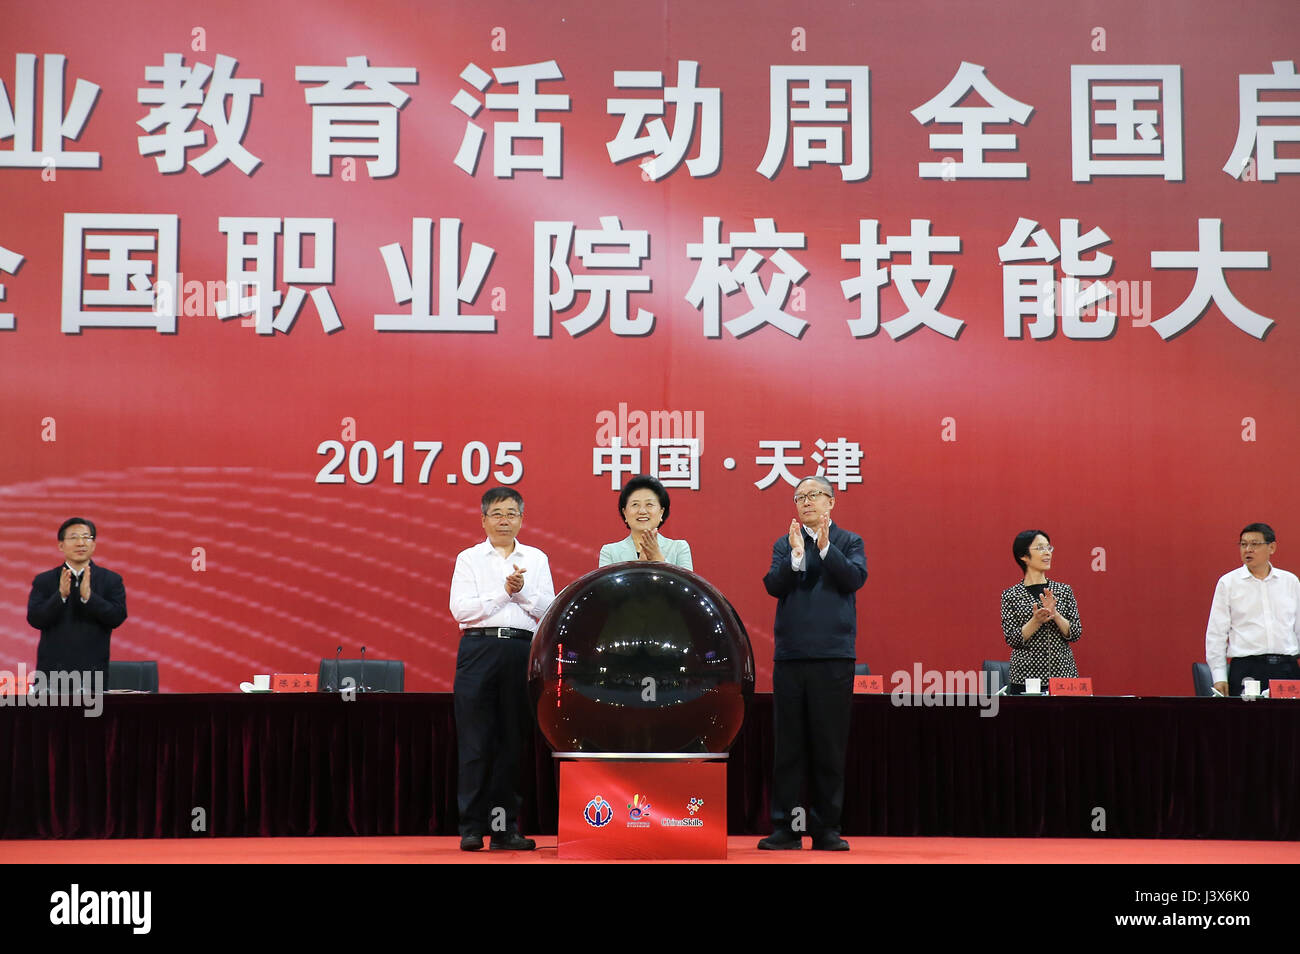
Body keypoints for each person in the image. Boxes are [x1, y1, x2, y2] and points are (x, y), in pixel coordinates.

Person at [758, 475, 867, 851]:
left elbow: (853, 578)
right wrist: (797, 555)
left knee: (828, 744)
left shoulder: (848, 541)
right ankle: (786, 829)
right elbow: (774, 585)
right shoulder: (784, 543)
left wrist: (824, 550)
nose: (806, 502)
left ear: (831, 502)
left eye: (814, 496)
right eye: (800, 497)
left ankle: (826, 829)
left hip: (833, 656)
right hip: (790, 656)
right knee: (789, 746)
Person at [449, 487, 555, 851]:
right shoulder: (469, 559)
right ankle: (472, 829)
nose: (504, 519)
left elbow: (548, 609)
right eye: (497, 513)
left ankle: (505, 829)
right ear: (483, 520)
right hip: (478, 649)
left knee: (513, 742)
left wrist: (521, 590)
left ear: (522, 519)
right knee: (476, 742)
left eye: (511, 513)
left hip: (520, 650)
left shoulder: (537, 559)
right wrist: (503, 593)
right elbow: (461, 610)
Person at [1205, 522, 1300, 696]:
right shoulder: (1228, 583)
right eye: (1243, 544)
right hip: (1247, 669)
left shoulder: (1290, 582)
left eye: (1254, 544)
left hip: (1287, 669)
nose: (1247, 549)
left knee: (1289, 721)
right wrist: (1219, 676)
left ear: (1272, 547)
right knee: (1249, 721)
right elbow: (1216, 634)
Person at [27, 517, 127, 679]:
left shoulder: (111, 580)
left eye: (87, 538)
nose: (81, 543)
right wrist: (60, 596)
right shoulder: (44, 580)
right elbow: (34, 619)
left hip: (94, 675)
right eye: (73, 537)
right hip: (52, 675)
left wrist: (90, 598)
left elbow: (117, 617)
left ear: (93, 544)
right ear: (61, 545)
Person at [1000, 530, 1083, 693]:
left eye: (1048, 548)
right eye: (1040, 548)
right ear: (1023, 556)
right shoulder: (1010, 595)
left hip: (1063, 675)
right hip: (1025, 677)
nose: (1047, 553)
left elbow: (1076, 632)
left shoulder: (1063, 591)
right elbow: (1012, 638)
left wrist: (1056, 615)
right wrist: (1035, 621)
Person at [598, 475, 693, 569]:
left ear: (661, 512)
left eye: (649, 504)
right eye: (635, 504)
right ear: (625, 513)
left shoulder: (679, 548)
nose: (642, 511)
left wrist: (658, 559)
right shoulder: (609, 552)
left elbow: (686, 583)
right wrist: (637, 569)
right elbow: (606, 584)